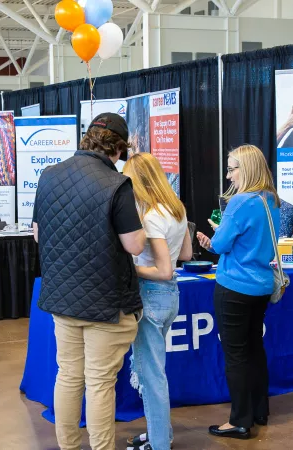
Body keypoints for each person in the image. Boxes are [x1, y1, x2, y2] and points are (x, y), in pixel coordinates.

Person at [33, 113, 145, 450]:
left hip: (62, 297)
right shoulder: (117, 184)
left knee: (67, 376)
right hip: (106, 302)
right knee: (99, 383)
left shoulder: (49, 175)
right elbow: (134, 245)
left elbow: (38, 235)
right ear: (120, 148)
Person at [195, 144, 279, 441]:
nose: (229, 175)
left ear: (247, 168)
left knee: (236, 355)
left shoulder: (241, 202)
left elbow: (220, 245)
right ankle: (258, 411)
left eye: (232, 168)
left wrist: (213, 239)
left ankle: (240, 421)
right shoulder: (271, 200)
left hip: (234, 287)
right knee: (255, 349)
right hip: (261, 286)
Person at [122, 153, 192, 450]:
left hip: (151, 298)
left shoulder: (150, 217)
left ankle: (160, 443)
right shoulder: (176, 209)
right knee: (152, 372)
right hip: (169, 298)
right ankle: (158, 434)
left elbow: (163, 270)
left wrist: (128, 267)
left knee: (151, 377)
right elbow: (186, 255)